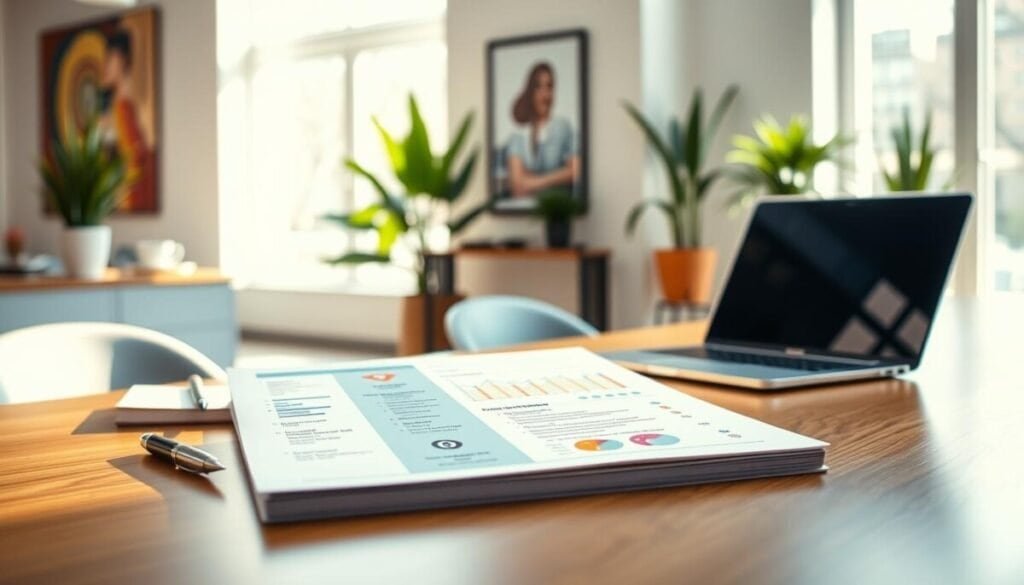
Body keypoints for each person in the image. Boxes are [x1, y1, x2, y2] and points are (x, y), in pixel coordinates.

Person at [99, 29, 155, 211]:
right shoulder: (113, 110)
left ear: (121, 60)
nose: (104, 67)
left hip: (131, 195)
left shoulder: (125, 108)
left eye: (109, 59)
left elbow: (135, 159)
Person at [505, 62, 579, 198]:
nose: (545, 95)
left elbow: (576, 171)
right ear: (530, 92)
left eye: (549, 87)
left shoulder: (562, 127)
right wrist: (559, 177)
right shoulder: (519, 134)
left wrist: (533, 180)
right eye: (539, 87)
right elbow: (517, 186)